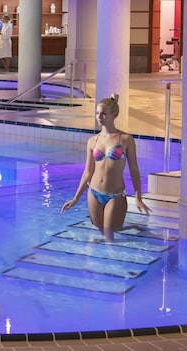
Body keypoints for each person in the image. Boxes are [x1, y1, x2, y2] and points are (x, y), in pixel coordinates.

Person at [61, 94, 151, 241]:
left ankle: (127, 232)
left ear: (114, 115)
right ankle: (131, 228)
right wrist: (75, 198)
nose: (99, 117)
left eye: (103, 113)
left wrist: (138, 198)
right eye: (97, 113)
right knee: (101, 231)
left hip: (115, 195)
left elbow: (134, 170)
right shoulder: (92, 141)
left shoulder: (126, 139)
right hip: (94, 193)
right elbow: (88, 172)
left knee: (109, 237)